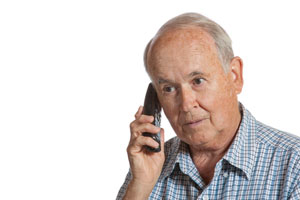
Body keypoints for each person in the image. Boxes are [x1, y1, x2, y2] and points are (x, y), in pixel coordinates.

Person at [116, 12, 300, 199]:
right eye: (169, 88)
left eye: (198, 81)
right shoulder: (147, 169)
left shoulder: (294, 166)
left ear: (234, 76)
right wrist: (140, 186)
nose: (186, 105)